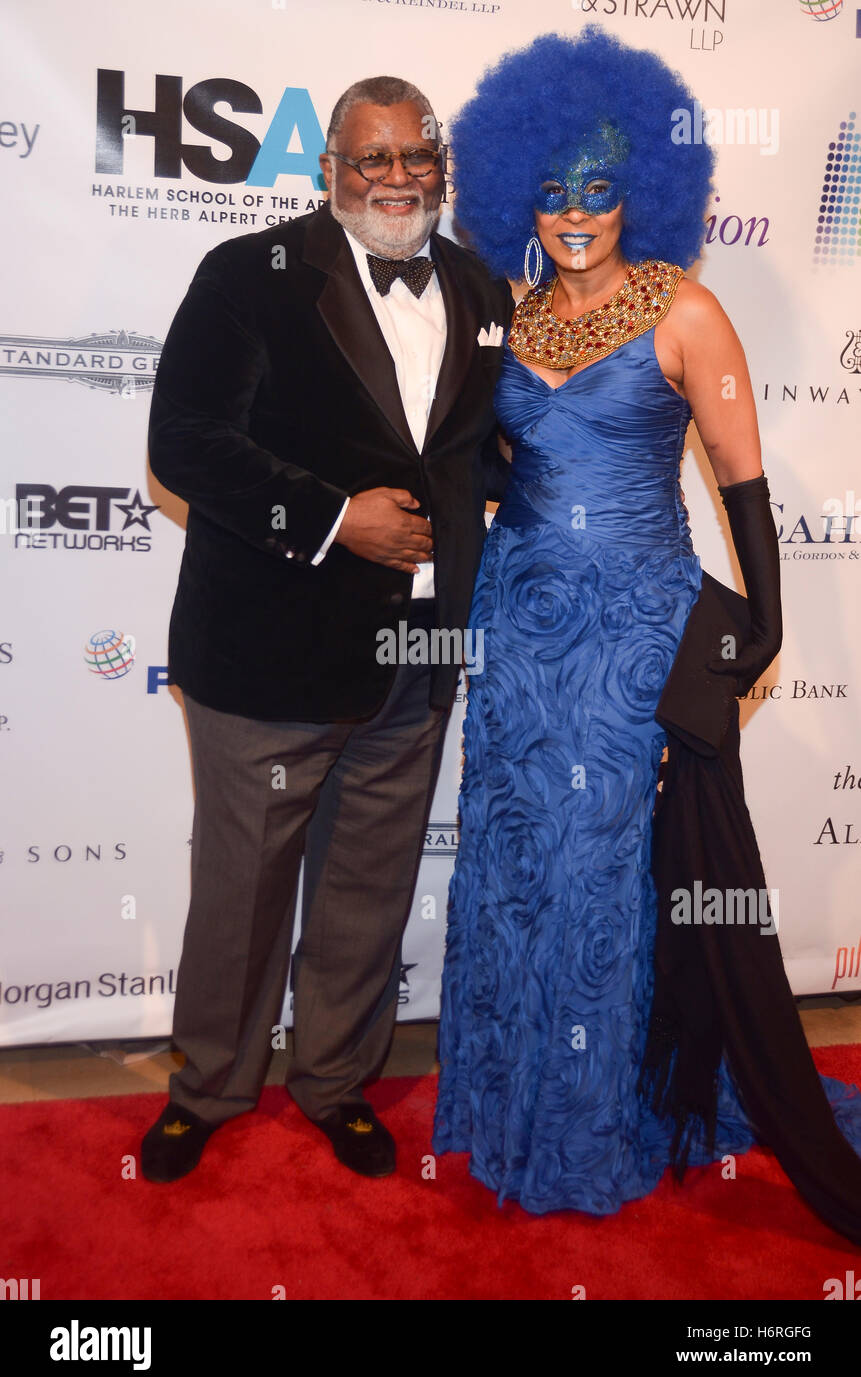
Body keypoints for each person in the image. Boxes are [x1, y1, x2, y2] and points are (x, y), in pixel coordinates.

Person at [432, 28, 861, 1239]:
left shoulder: (688, 311)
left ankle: (599, 1123)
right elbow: (511, 473)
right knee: (517, 866)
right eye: (555, 191)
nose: (577, 215)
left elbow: (743, 489)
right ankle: (511, 1106)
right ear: (526, 193)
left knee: (605, 875)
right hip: (519, 635)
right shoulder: (509, 318)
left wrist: (751, 640)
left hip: (632, 641)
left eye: (603, 191)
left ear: (642, 197)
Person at [142, 75, 513, 1183]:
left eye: (416, 158)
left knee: (370, 879)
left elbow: (472, 448)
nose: (397, 178)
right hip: (268, 647)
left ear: (440, 168)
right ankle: (209, 1084)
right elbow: (185, 442)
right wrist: (334, 518)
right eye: (372, 158)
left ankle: (337, 1081)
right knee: (244, 890)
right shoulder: (247, 277)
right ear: (330, 170)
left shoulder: (479, 282)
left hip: (417, 650)